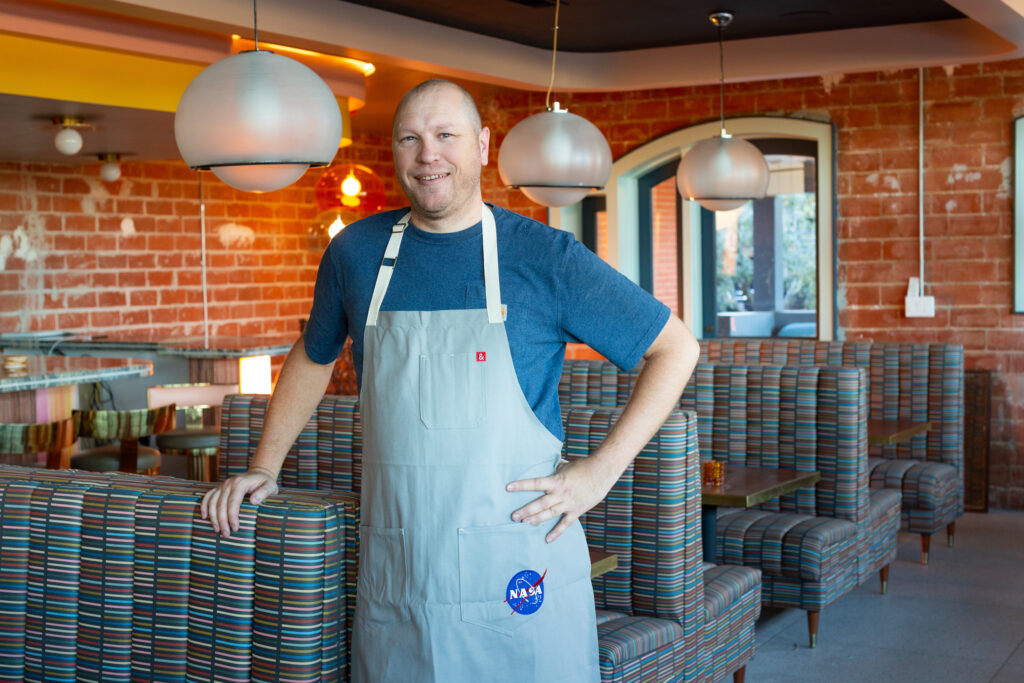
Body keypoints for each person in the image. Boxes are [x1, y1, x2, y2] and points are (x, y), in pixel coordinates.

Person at [201, 79, 700, 682]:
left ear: (483, 145)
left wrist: (598, 474)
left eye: (445, 136)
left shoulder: (546, 257)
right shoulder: (354, 254)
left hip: (518, 568)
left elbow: (675, 348)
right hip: (402, 570)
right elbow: (314, 355)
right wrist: (266, 466)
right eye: (409, 139)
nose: (427, 155)